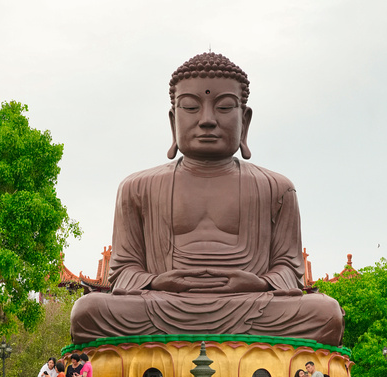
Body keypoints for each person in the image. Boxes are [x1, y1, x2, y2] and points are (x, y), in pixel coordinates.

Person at [70, 53, 343, 346]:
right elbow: (124, 271)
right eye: (190, 107)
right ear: (173, 119)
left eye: (225, 107)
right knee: (88, 311)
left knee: (326, 312)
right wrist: (156, 282)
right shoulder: (137, 187)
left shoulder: (277, 188)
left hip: (250, 306)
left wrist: (260, 282)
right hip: (162, 305)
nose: (208, 120)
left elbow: (289, 271)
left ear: (245, 120)